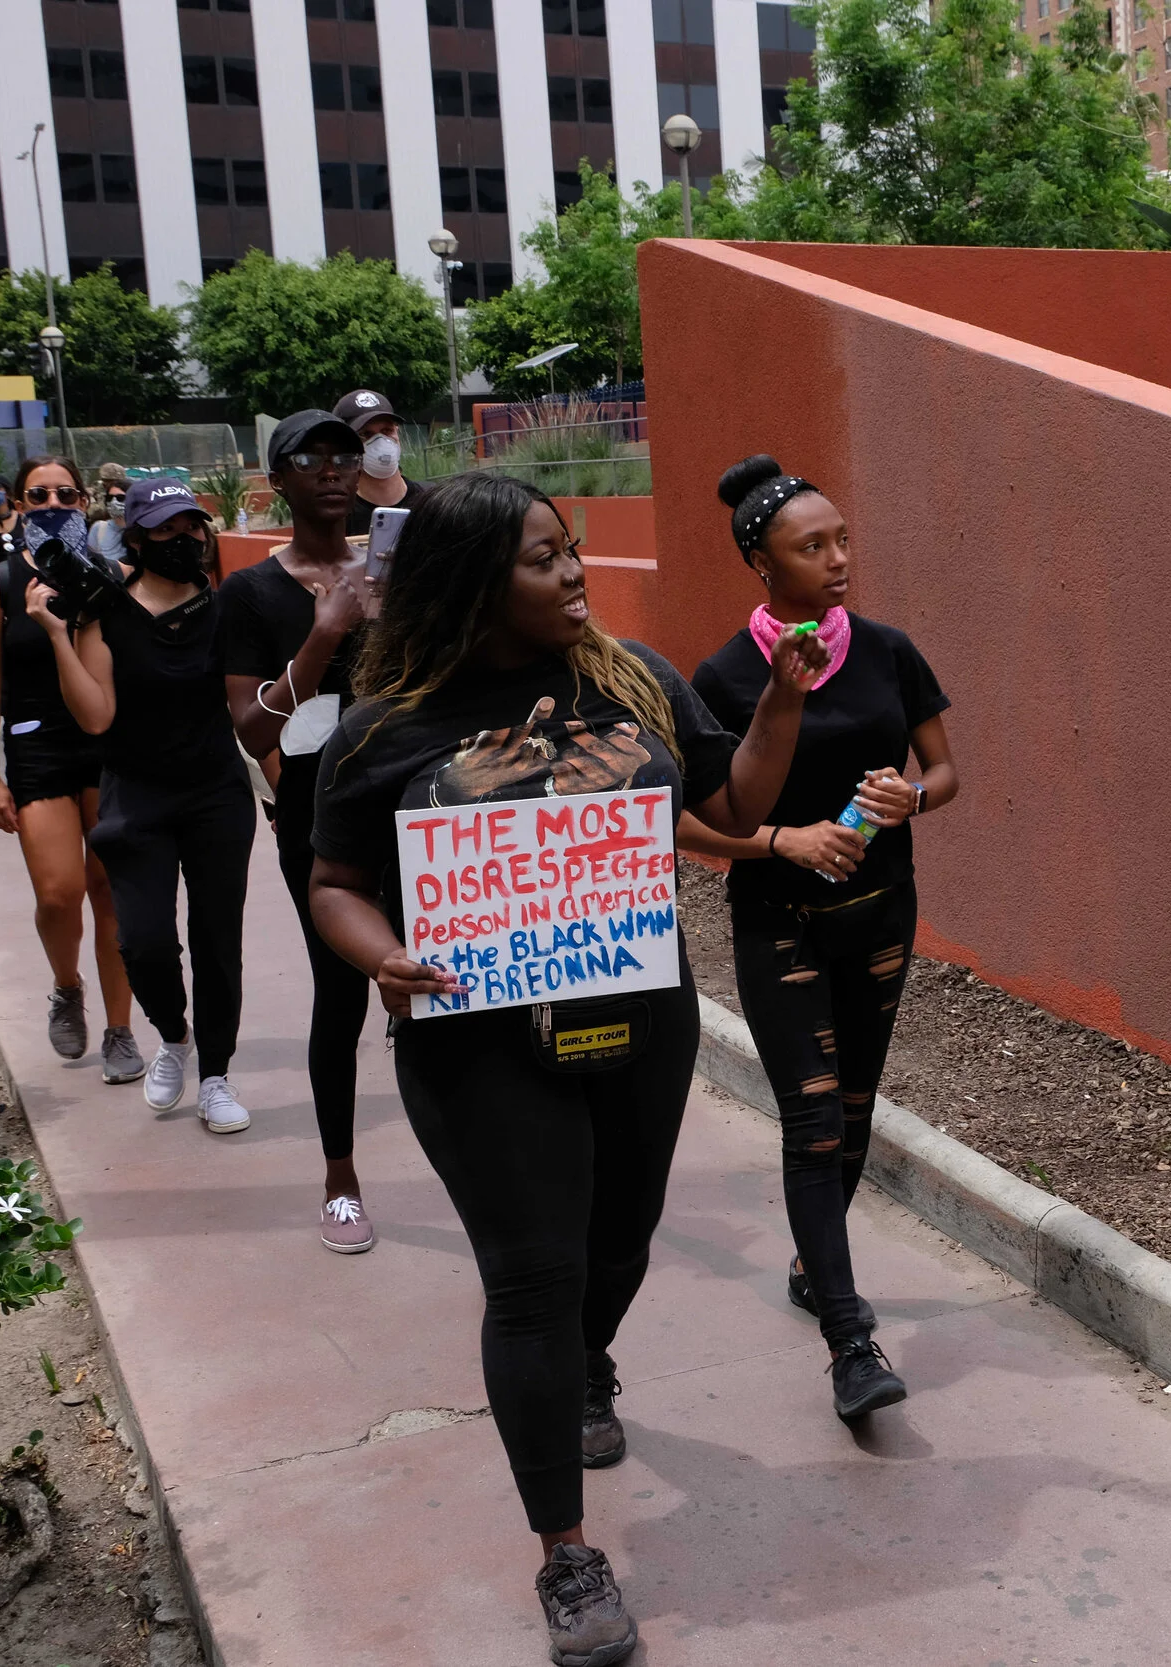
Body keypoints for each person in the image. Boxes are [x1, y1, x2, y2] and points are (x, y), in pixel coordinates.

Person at [305, 471, 827, 1667]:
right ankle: (567, 1553)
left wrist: (781, 708)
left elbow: (736, 800)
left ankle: (582, 1364)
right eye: (545, 558)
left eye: (573, 548)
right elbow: (333, 884)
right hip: (476, 1041)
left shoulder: (631, 676)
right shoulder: (387, 726)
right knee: (533, 1278)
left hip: (637, 1017)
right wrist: (384, 955)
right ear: (476, 582)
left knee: (620, 1242)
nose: (576, 570)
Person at [681, 455, 958, 1421]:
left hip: (883, 913)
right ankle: (850, 1341)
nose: (839, 559)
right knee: (813, 1121)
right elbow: (683, 818)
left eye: (843, 540)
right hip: (779, 920)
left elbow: (946, 770)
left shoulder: (887, 650)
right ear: (763, 562)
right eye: (813, 546)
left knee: (856, 1106)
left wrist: (910, 793)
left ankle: (812, 1266)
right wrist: (780, 839)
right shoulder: (720, 677)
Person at [29, 477, 256, 1133]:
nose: (181, 538)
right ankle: (173, 1035)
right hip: (137, 796)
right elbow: (96, 717)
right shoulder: (108, 611)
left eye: (191, 525)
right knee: (144, 940)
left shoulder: (225, 609)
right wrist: (56, 633)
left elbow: (251, 702)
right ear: (135, 536)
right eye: (164, 528)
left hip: (216, 794)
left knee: (218, 941)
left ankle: (214, 1073)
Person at [220, 411, 379, 1251]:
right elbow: (251, 729)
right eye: (307, 456)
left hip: (416, 807)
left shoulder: (398, 570)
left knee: (444, 982)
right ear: (274, 479)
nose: (330, 467)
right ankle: (341, 1176)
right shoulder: (250, 593)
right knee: (342, 989)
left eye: (342, 452)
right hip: (318, 819)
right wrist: (324, 636)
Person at [0, 455, 140, 1080]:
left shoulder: (115, 575)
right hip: (37, 745)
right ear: (18, 503)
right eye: (38, 495)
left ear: (84, 499)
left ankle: (121, 1029)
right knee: (60, 892)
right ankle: (67, 986)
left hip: (108, 745)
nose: (53, 503)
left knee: (110, 891)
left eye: (65, 492)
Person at [334, 388, 424, 537]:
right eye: (365, 434)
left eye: (387, 431)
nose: (381, 441)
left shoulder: (429, 502)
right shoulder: (338, 516)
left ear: (397, 432)